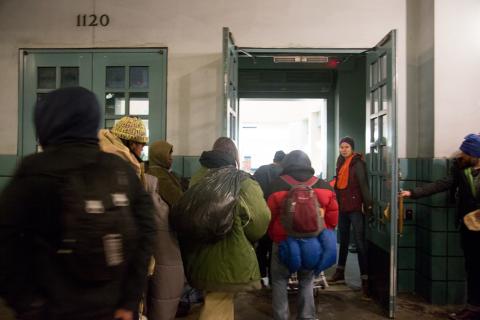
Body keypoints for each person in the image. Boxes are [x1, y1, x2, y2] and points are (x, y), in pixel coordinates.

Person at [0, 87, 156, 320]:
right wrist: (129, 301)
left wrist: (27, 303)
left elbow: (6, 241)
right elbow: (145, 233)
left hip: (51, 309)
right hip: (112, 308)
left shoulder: (34, 170)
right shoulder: (120, 169)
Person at [99, 120, 185, 320]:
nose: (142, 150)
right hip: (121, 258)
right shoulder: (123, 165)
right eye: (141, 145)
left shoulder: (116, 161)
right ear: (131, 144)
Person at [179, 137, 271, 320]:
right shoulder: (242, 182)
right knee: (217, 306)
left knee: (216, 303)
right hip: (229, 259)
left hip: (196, 254)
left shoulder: (196, 178)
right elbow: (260, 221)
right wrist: (244, 236)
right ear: (234, 156)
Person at [400, 133, 480, 320]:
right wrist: (412, 192)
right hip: (468, 228)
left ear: (475, 154)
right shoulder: (462, 169)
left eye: (465, 152)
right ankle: (473, 307)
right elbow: (441, 184)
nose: (461, 154)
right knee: (472, 268)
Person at [267, 150, 339, 320]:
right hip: (311, 243)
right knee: (306, 281)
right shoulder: (323, 186)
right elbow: (333, 218)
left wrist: (275, 236)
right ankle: (307, 316)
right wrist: (318, 233)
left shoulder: (276, 186)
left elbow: (267, 216)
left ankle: (281, 317)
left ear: (285, 165)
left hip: (283, 242)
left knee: (279, 281)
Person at [329, 137, 372, 296]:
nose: (344, 149)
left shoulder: (357, 163)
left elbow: (363, 184)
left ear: (352, 148)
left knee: (360, 242)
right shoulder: (340, 162)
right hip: (343, 207)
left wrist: (368, 205)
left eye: (346, 147)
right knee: (343, 240)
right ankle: (340, 272)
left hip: (355, 208)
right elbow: (338, 184)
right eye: (341, 147)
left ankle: (365, 279)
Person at [253, 150, 286, 287]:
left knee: (261, 247)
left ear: (273, 158)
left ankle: (261, 278)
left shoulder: (260, 170)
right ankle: (274, 280)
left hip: (261, 212)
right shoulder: (284, 173)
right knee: (275, 247)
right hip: (277, 214)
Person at [147, 140, 184, 207]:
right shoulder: (159, 175)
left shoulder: (157, 170)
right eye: (168, 154)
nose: (171, 158)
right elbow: (178, 199)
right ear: (159, 155)